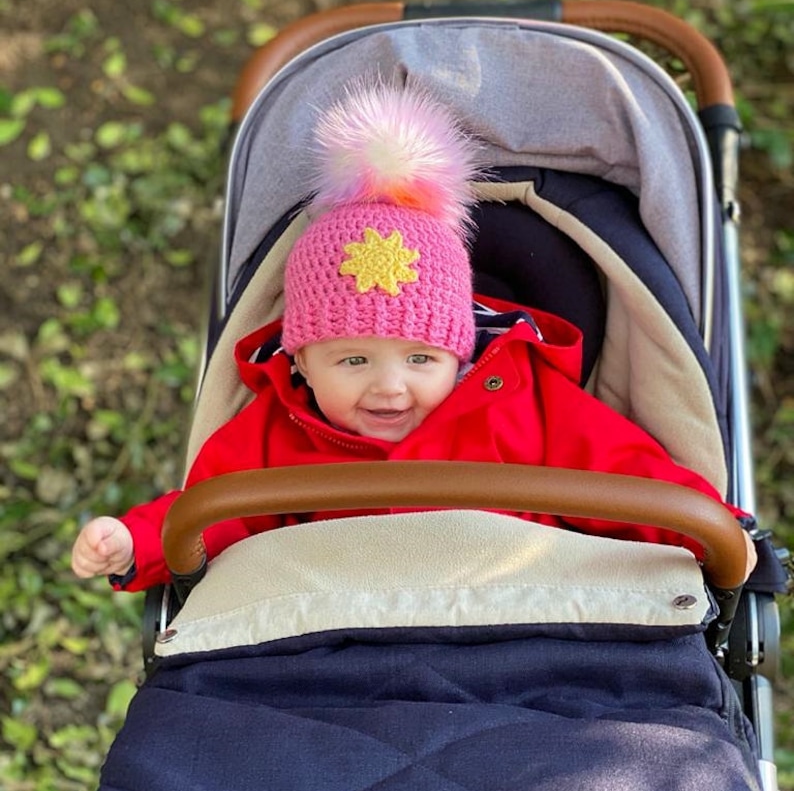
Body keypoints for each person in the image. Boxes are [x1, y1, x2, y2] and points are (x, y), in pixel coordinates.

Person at [71, 81, 757, 591]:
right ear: (301, 358)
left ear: (461, 352)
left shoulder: (527, 402)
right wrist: (134, 541)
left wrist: (715, 528)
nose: (390, 384)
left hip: (519, 612)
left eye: (422, 357)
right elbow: (208, 515)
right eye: (353, 358)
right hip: (338, 628)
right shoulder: (277, 432)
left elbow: (628, 476)